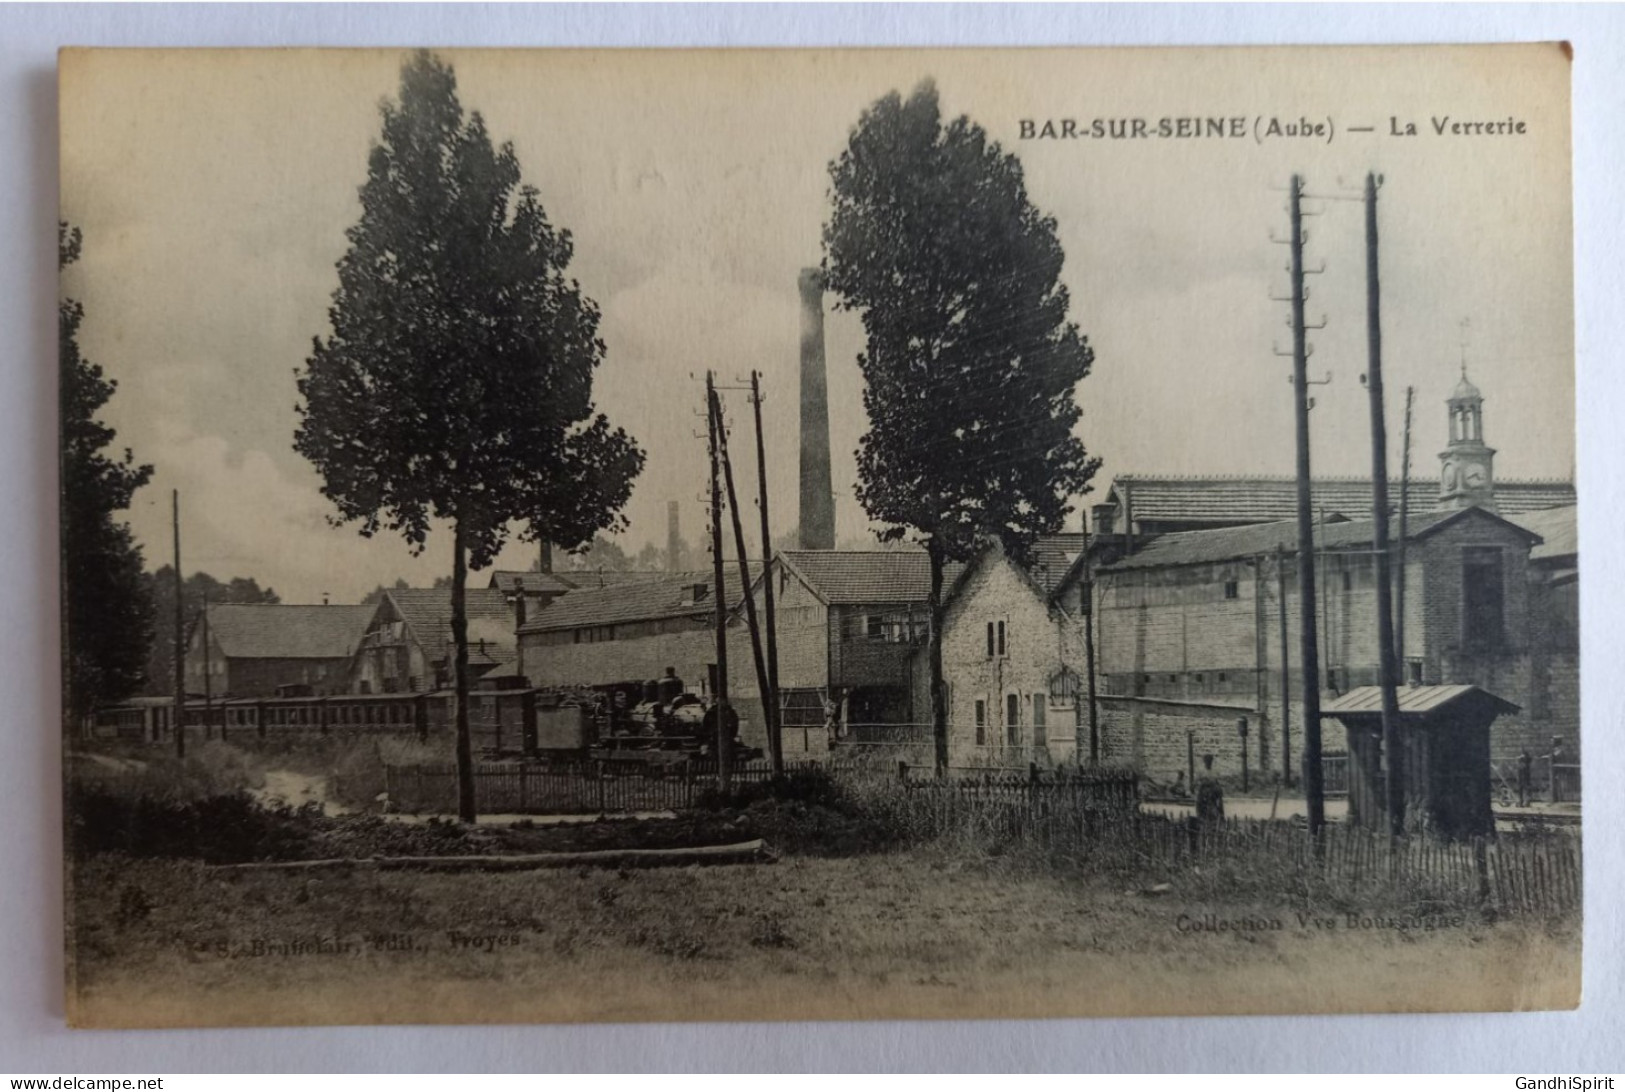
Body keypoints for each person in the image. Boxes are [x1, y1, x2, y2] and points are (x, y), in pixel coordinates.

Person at [1195, 753, 1224, 823]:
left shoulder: (1215, 772)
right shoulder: (1201, 772)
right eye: (1207, 761)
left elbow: (1217, 782)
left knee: (1219, 799)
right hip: (1204, 790)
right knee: (1199, 799)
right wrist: (1199, 784)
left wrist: (1219, 788)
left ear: (1212, 762)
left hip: (1212, 790)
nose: (1208, 763)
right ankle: (1199, 814)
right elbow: (1196, 781)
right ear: (1204, 762)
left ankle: (1221, 815)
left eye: (1210, 761)